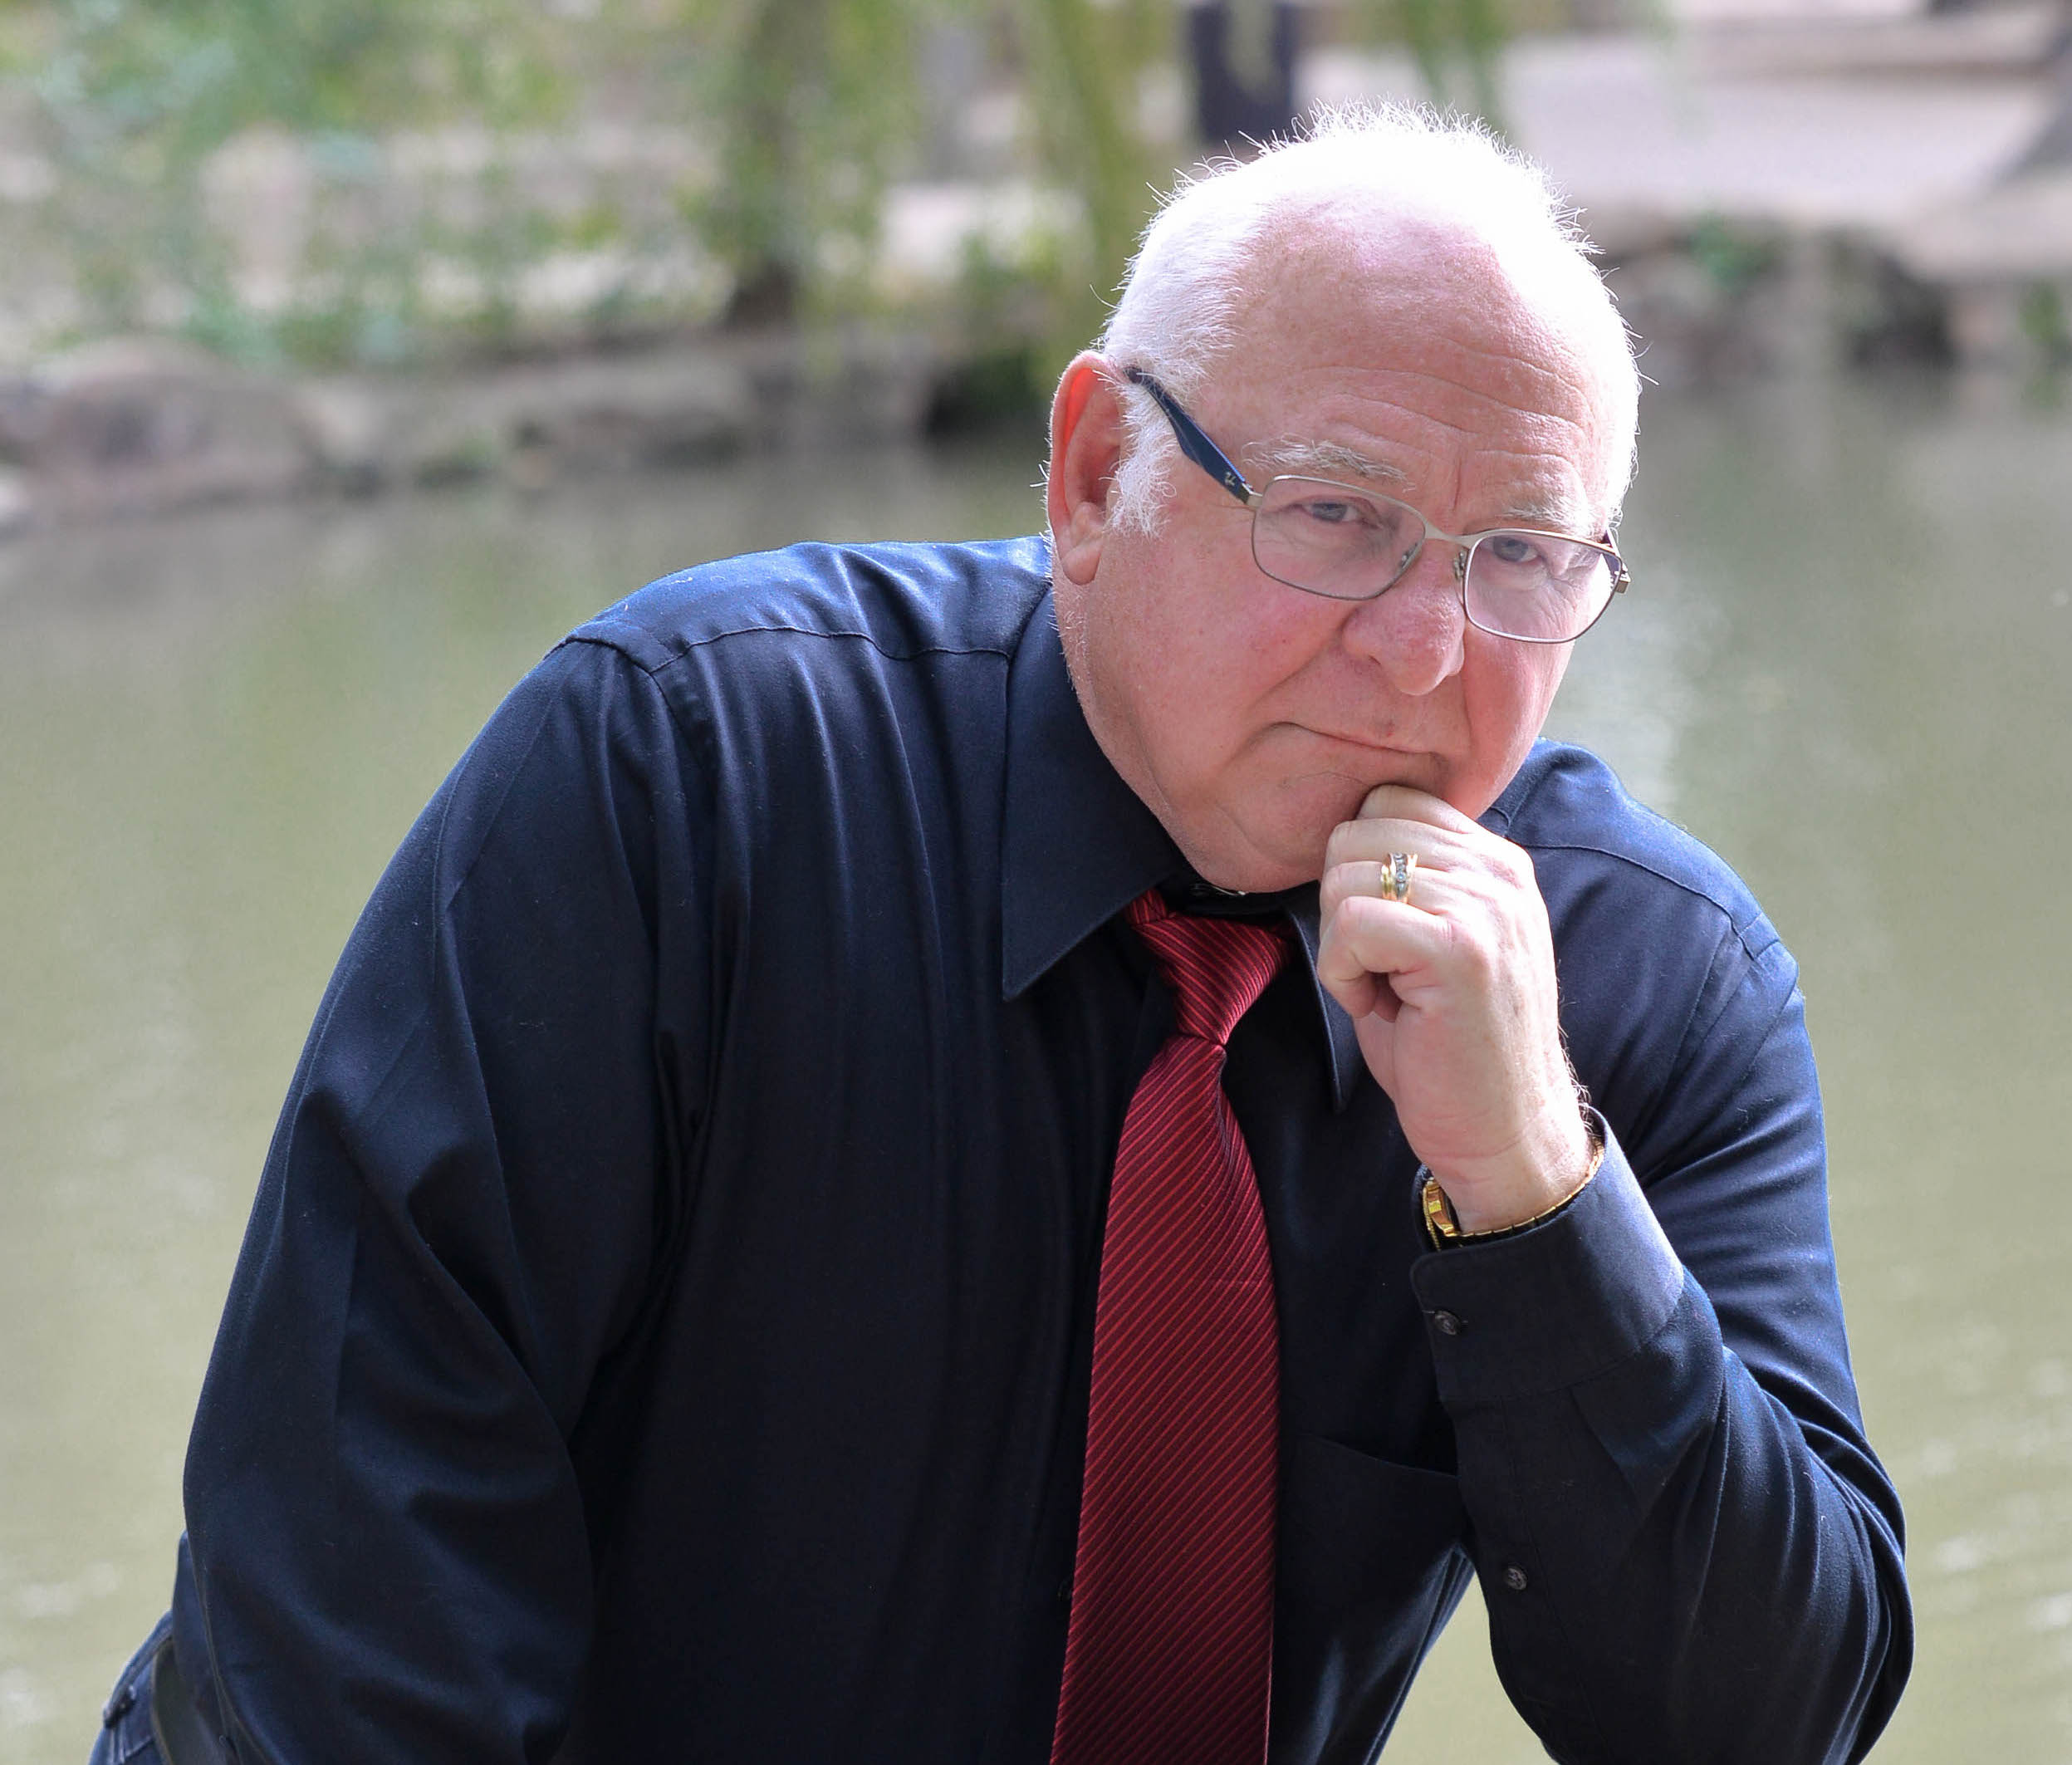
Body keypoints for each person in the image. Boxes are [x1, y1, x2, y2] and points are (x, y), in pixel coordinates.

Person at [92, 106, 1911, 1765]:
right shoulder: (686, 774)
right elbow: (343, 1630)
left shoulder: (1648, 977)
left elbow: (1759, 1730)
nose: (1428, 651)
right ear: (1095, 470)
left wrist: (1530, 1195)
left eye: (1520, 556)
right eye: (1340, 517)